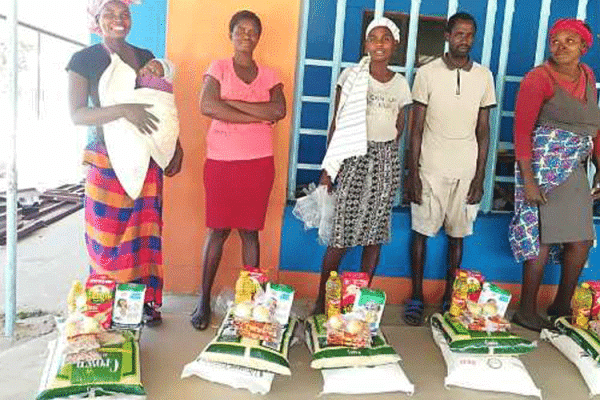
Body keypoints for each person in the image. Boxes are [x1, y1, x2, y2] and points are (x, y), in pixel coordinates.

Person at [67, 0, 183, 326]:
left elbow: (161, 103)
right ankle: (107, 305)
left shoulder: (145, 57)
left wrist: (175, 146)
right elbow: (78, 114)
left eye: (124, 14)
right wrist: (123, 110)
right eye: (110, 14)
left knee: (144, 235)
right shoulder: (84, 60)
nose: (119, 20)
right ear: (96, 19)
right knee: (107, 238)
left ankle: (144, 302)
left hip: (146, 157)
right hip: (106, 161)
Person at [191, 10, 286, 330]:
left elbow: (278, 110)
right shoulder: (218, 68)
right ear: (230, 34)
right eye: (240, 30)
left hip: (258, 163)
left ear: (259, 37)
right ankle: (203, 300)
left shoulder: (271, 75)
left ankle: (252, 303)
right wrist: (258, 114)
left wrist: (231, 106)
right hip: (221, 162)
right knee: (217, 231)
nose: (246, 35)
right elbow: (207, 106)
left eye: (252, 31)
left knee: (250, 231)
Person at [312, 17, 413, 314]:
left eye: (385, 38)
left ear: (395, 44)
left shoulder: (400, 84)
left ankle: (360, 304)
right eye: (373, 38)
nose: (379, 44)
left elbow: (400, 126)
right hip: (353, 157)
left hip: (385, 162)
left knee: (375, 235)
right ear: (366, 45)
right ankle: (322, 301)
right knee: (341, 235)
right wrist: (330, 168)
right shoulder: (351, 76)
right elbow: (337, 122)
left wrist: (387, 158)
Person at [404, 12, 496, 326]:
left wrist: (481, 176)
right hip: (429, 166)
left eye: (470, 35)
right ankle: (416, 295)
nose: (464, 40)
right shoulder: (426, 73)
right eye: (459, 34)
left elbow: (484, 131)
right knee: (421, 233)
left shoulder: (484, 76)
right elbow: (415, 128)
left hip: (466, 169)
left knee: (458, 236)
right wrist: (412, 173)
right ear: (447, 35)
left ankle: (449, 297)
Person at [509, 18, 600, 332]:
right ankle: (526, 309)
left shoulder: (587, 76)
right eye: (555, 41)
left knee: (581, 240)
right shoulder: (538, 78)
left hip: (574, 166)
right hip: (542, 166)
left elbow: (594, 127)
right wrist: (529, 180)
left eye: (569, 42)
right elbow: (521, 132)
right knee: (542, 239)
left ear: (584, 49)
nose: (560, 47)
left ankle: (561, 305)